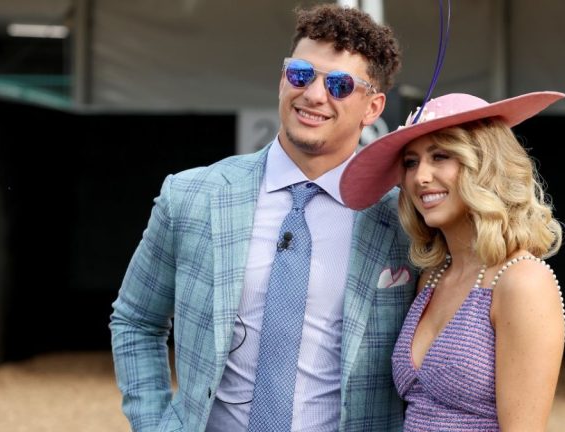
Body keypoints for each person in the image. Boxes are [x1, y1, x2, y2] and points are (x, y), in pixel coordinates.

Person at [110, 4, 417, 432]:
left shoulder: (404, 220)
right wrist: (154, 424)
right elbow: (136, 321)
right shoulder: (192, 196)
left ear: (373, 107)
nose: (313, 94)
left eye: (340, 84)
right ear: (282, 78)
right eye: (300, 74)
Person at [339, 91, 565, 431]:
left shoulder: (523, 282)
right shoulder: (431, 277)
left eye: (440, 156)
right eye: (411, 162)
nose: (420, 177)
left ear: (485, 164)